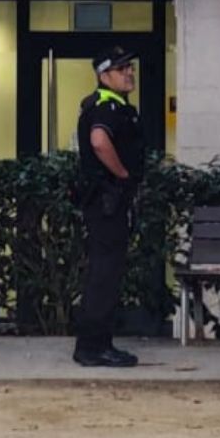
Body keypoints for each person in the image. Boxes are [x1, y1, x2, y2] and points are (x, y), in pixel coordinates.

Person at [72, 45, 145, 368]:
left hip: (110, 201)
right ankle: (93, 346)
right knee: (104, 274)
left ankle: (97, 343)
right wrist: (124, 175)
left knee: (107, 274)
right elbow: (99, 142)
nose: (129, 73)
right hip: (106, 201)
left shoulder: (118, 106)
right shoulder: (105, 106)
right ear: (104, 76)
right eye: (121, 69)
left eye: (130, 67)